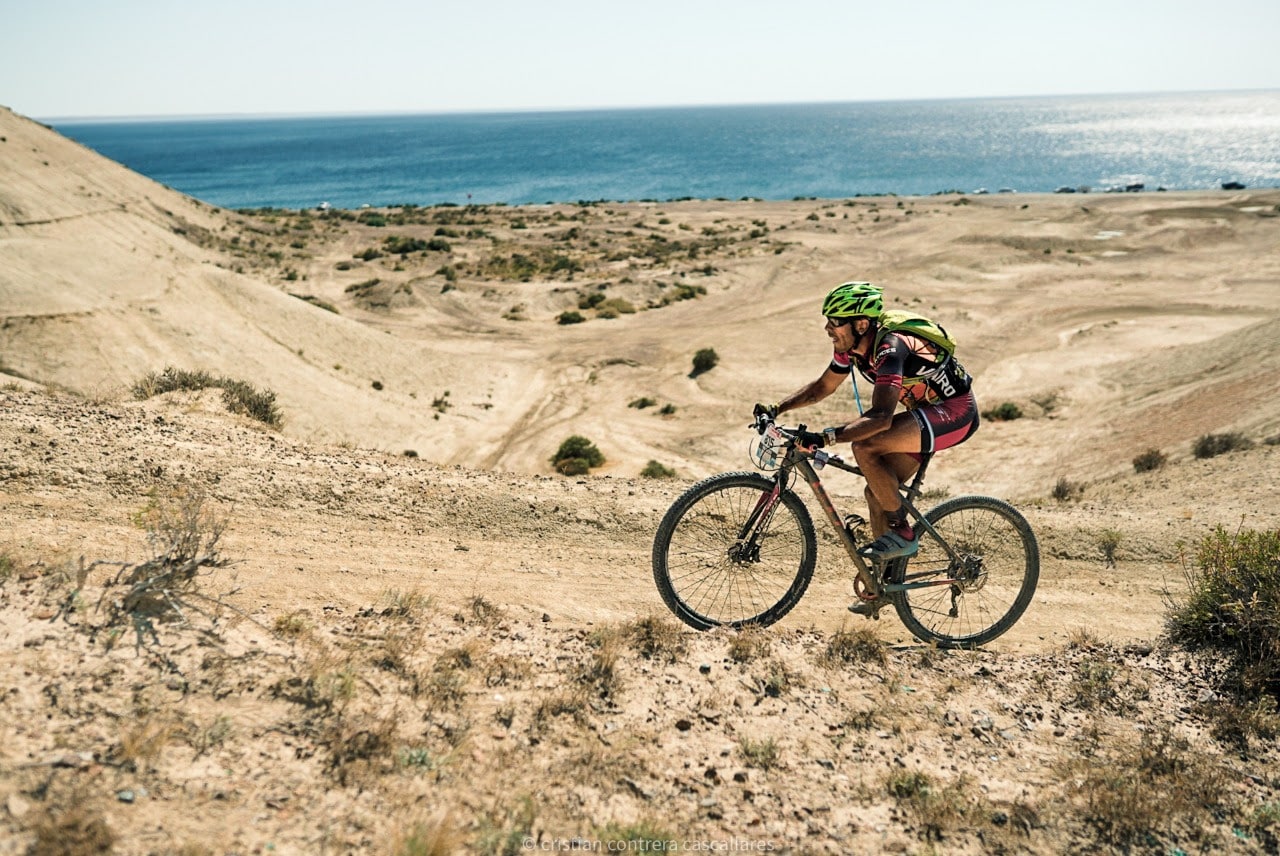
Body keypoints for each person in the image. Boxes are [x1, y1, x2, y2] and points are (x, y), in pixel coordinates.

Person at [754, 281, 978, 610]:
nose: (828, 328)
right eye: (828, 320)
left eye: (835, 321)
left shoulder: (891, 347)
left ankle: (902, 533)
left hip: (955, 413)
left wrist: (827, 437)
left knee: (866, 446)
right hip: (924, 414)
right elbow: (821, 388)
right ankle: (885, 585)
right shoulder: (852, 349)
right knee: (876, 492)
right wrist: (777, 408)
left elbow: (882, 418)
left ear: (861, 324)